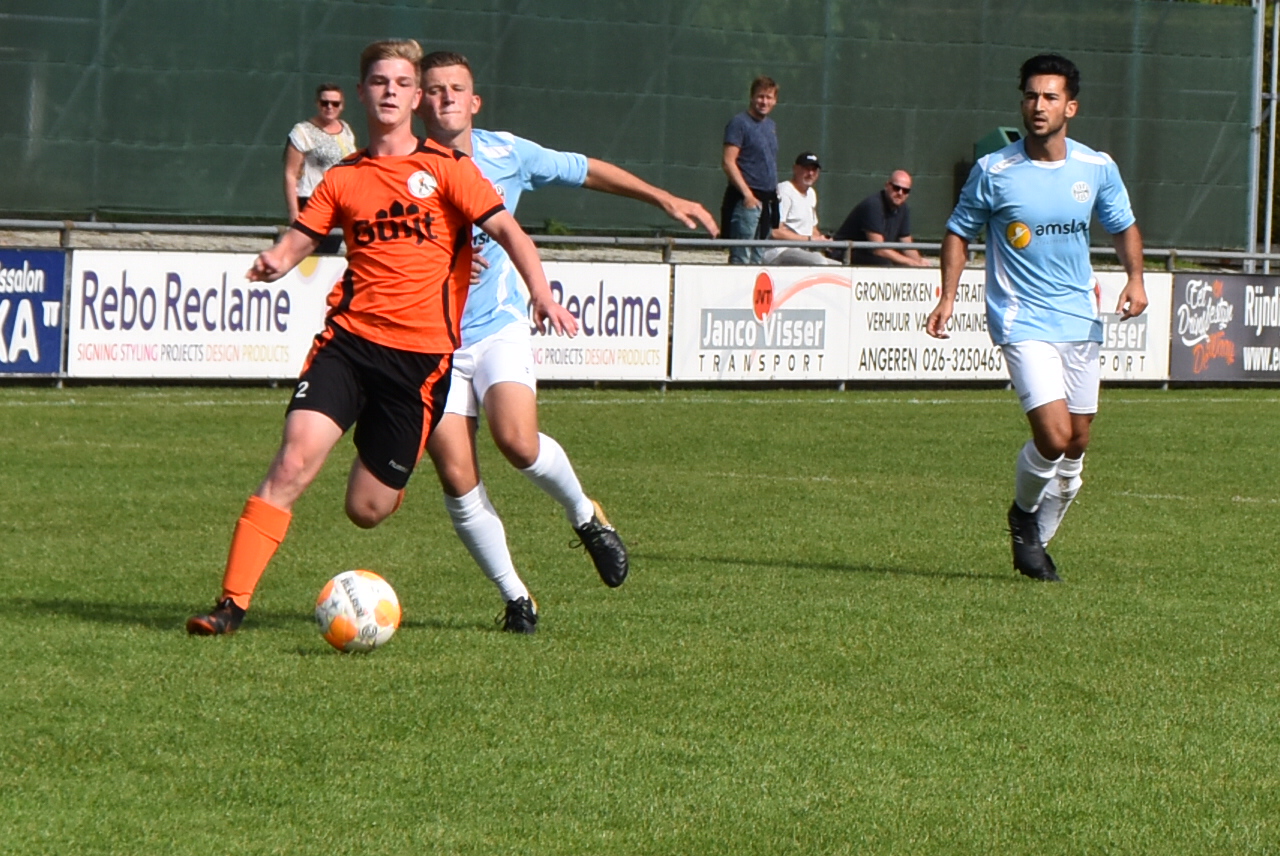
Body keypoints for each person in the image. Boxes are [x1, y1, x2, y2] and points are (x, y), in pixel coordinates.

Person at [186, 39, 576, 636]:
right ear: (363, 93)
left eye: (401, 82)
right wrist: (277, 260)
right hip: (348, 346)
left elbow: (510, 233)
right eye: (379, 81)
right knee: (291, 462)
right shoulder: (344, 177)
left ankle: (389, 459)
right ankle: (230, 606)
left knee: (366, 510)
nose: (390, 91)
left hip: (417, 365)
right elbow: (303, 237)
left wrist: (541, 293)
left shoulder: (449, 169)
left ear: (415, 98)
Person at [415, 50, 719, 632]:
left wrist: (664, 198)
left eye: (456, 88)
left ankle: (585, 516)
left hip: (497, 325)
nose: (446, 96)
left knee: (517, 442)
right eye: (434, 89)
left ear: (475, 102)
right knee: (457, 477)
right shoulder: (400, 170)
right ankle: (517, 600)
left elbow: (588, 170)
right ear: (417, 102)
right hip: (430, 342)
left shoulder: (507, 153)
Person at [925, 53, 1147, 582]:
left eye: (1050, 96)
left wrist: (1136, 278)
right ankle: (1023, 516)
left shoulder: (1096, 167)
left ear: (1071, 106)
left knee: (1077, 443)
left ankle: (1037, 544)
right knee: (1053, 436)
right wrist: (947, 296)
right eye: (1030, 96)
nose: (1038, 105)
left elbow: (1123, 226)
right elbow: (958, 233)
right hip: (1021, 319)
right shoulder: (994, 170)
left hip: (1079, 318)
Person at [283, 83, 357, 253]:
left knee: (330, 255)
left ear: (342, 106)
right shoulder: (303, 131)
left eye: (335, 103)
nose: (330, 107)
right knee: (310, 255)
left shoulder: (345, 129)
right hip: (312, 202)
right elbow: (290, 174)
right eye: (325, 103)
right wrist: (294, 213)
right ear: (317, 103)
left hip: (340, 205)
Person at [720, 76, 779, 265]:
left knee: (758, 259)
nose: (764, 102)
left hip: (767, 202)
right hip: (747, 203)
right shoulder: (739, 123)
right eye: (761, 96)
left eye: (769, 97)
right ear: (752, 97)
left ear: (775, 101)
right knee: (741, 259)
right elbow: (728, 162)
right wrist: (747, 195)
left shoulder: (770, 126)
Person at [830, 170, 929, 267]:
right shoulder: (873, 205)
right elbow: (878, 248)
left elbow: (906, 243)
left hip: (869, 254)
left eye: (905, 190)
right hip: (844, 253)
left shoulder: (903, 208)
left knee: (899, 262)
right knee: (886, 263)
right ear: (887, 186)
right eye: (896, 188)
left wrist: (919, 262)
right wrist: (910, 262)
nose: (900, 193)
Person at [763, 151, 840, 266]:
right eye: (806, 169)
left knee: (839, 267)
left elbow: (812, 229)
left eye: (814, 170)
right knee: (819, 262)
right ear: (795, 169)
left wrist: (823, 240)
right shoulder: (784, 190)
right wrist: (809, 240)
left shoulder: (811, 193)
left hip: (804, 251)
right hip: (779, 251)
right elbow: (776, 232)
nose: (810, 173)